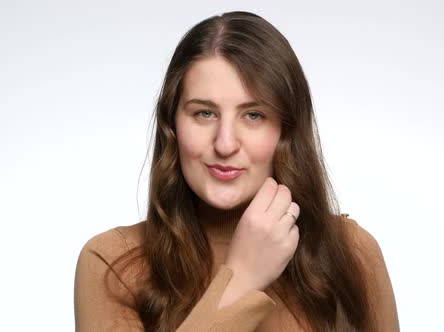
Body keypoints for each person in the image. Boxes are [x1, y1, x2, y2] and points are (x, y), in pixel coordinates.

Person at [74, 11, 399, 332]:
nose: (225, 143)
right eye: (204, 113)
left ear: (286, 131)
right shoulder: (113, 264)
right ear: (173, 125)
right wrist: (242, 280)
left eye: (253, 115)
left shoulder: (352, 253)